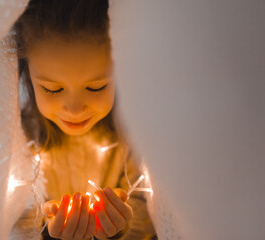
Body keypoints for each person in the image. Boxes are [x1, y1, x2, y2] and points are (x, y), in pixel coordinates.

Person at [10, 0, 156, 239]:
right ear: (26, 75)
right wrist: (48, 235)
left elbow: (148, 212)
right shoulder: (19, 138)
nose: (75, 109)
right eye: (53, 89)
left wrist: (119, 230)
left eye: (96, 87)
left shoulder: (133, 135)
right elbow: (16, 226)